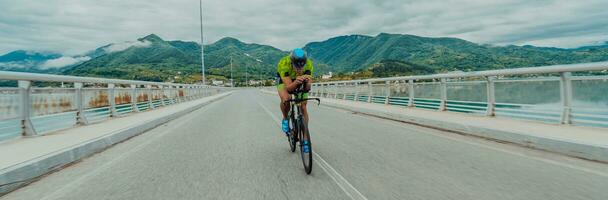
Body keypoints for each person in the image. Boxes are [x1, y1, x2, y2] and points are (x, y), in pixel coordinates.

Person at [276, 48, 314, 152]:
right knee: (286, 99)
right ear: (291, 62)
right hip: (285, 81)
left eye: (301, 66)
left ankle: (306, 139)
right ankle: (285, 118)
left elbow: (307, 88)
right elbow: (288, 88)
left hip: (299, 80)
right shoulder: (284, 63)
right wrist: (296, 82)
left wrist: (307, 83)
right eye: (297, 66)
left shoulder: (309, 64)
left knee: (303, 105)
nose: (299, 69)